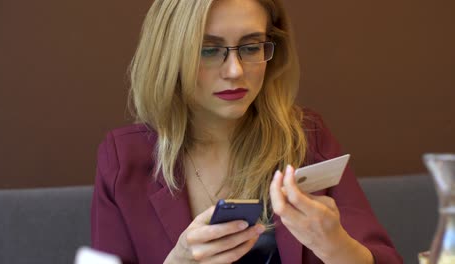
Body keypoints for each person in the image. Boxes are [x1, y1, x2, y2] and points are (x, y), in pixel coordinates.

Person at [91, 0, 403, 263]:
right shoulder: (123, 160)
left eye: (251, 47)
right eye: (209, 50)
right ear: (170, 54)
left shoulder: (307, 137)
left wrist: (336, 246)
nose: (235, 71)